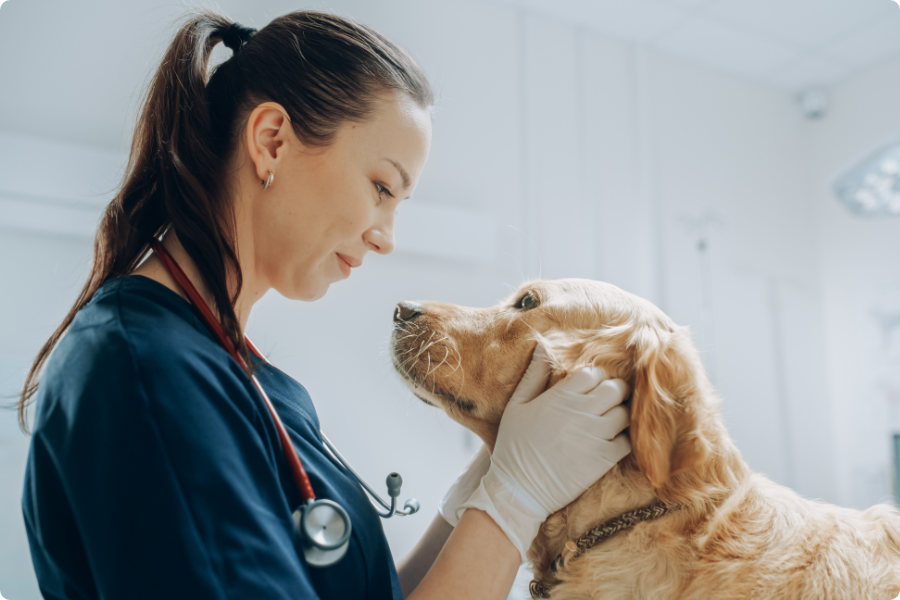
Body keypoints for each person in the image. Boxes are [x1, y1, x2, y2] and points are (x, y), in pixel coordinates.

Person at [18, 9, 631, 600]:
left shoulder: (249, 379)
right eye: (382, 187)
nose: (386, 237)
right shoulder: (146, 373)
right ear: (272, 141)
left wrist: (477, 496)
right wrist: (514, 500)